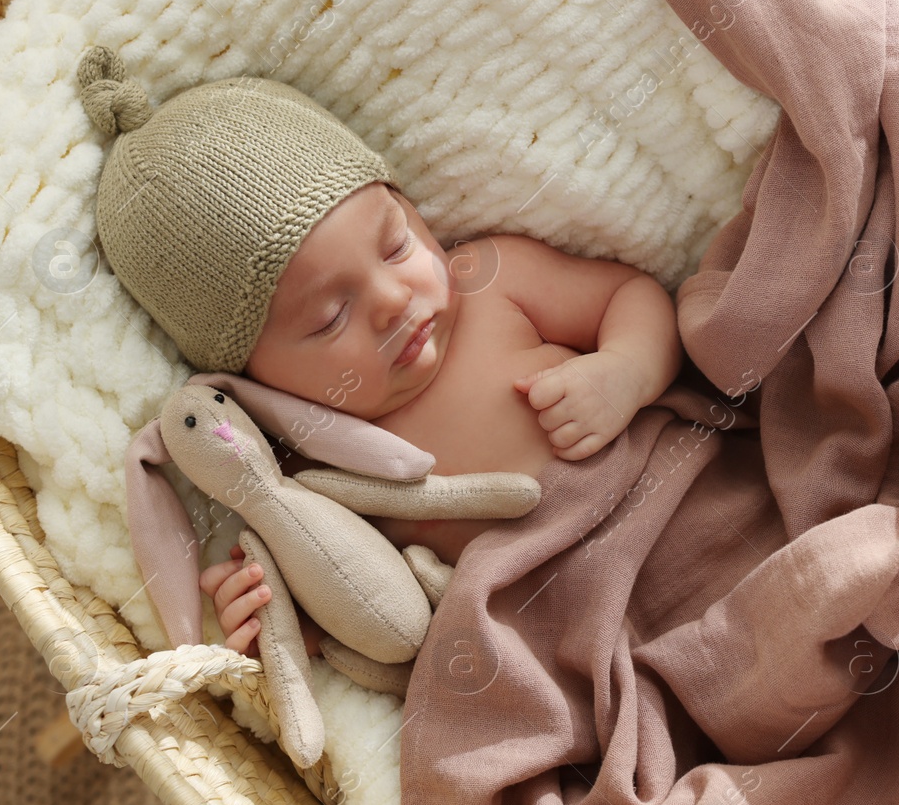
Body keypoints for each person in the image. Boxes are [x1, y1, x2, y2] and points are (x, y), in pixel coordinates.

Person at [76, 46, 681, 662]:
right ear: (251, 373)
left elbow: (632, 297)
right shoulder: (305, 468)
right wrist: (266, 615)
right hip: (565, 642)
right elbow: (357, 605)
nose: (394, 300)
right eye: (330, 317)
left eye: (396, 246)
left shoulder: (492, 284)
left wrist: (626, 371)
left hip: (676, 511)